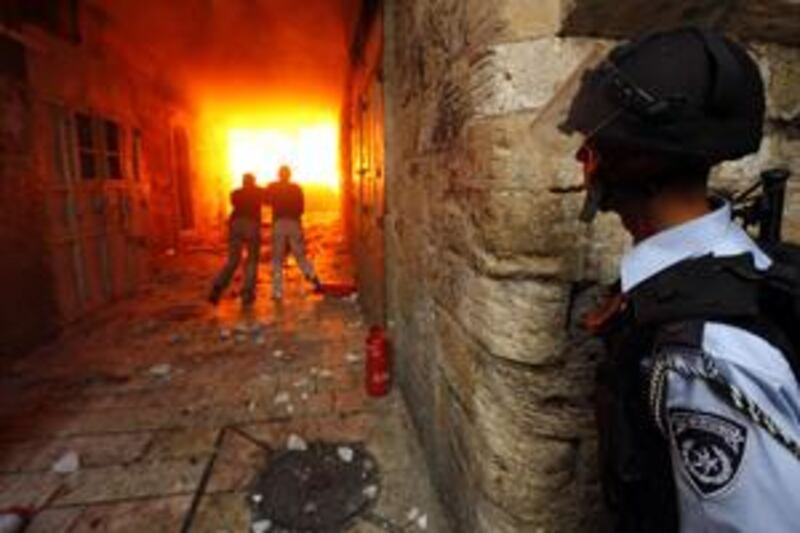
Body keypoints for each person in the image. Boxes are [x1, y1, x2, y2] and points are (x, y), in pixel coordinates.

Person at [559, 28, 800, 532]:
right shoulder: (724, 262)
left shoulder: (705, 357)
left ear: (632, 163)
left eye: (594, 148)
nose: (585, 162)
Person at [264, 165, 322, 300]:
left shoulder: (273, 186)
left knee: (277, 258)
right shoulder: (296, 188)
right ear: (289, 175)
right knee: (300, 255)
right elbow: (301, 208)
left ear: (279, 175)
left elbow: (265, 201)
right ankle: (314, 279)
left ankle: (277, 292)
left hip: (279, 223)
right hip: (294, 223)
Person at [209, 172, 264, 306]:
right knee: (251, 259)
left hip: (235, 224)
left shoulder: (236, 193)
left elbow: (234, 201)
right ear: (253, 182)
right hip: (251, 224)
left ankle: (218, 286)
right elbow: (269, 198)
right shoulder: (258, 192)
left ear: (243, 182)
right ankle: (247, 293)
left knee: (233, 260)